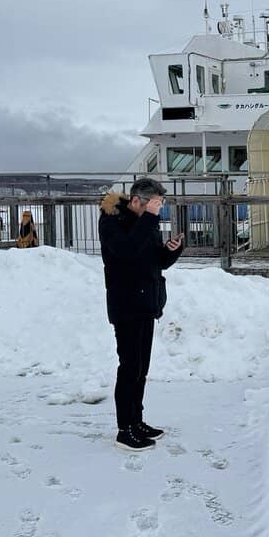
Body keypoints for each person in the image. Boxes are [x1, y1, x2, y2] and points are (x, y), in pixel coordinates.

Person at [98, 178, 183, 451]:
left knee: (141, 370)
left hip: (147, 303)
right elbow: (126, 251)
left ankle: (137, 421)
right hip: (126, 304)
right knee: (129, 368)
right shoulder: (111, 220)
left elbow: (153, 260)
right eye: (153, 205)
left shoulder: (145, 221)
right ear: (136, 201)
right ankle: (125, 429)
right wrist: (149, 219)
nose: (157, 211)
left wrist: (171, 251)